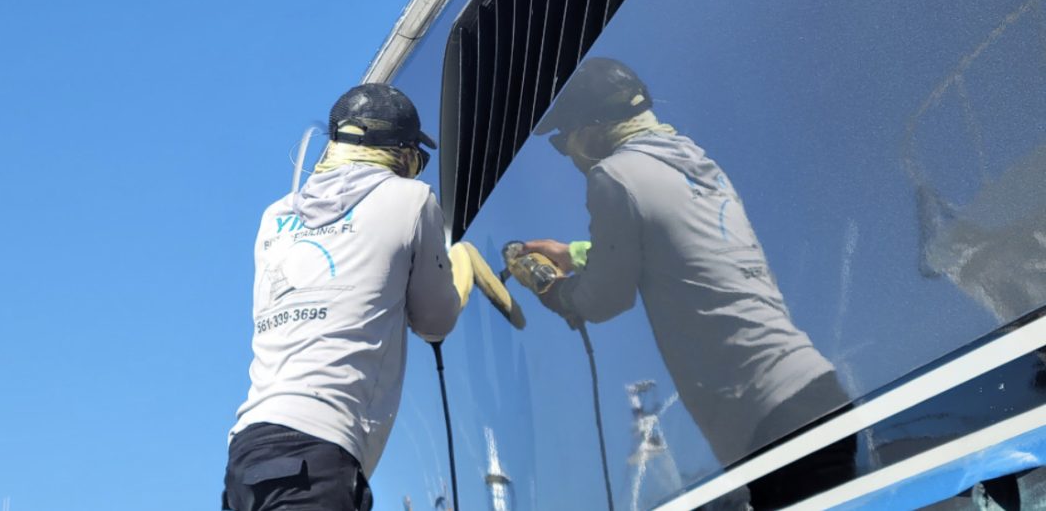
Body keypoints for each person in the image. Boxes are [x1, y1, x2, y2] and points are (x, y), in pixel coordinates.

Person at [517, 58, 856, 510]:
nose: (569, 154)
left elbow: (603, 300)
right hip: (816, 391)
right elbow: (668, 237)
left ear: (592, 128)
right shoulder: (695, 164)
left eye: (563, 142)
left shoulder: (613, 174)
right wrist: (576, 253)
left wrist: (550, 289)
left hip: (769, 420)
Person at [224, 83, 463, 511]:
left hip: (248, 451)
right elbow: (434, 321)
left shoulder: (277, 215)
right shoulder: (411, 199)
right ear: (402, 151)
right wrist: (457, 267)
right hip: (317, 449)